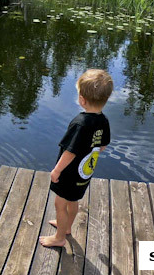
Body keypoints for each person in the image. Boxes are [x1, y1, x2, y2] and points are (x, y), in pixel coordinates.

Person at [39, 69, 112, 248]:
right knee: (73, 200)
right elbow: (103, 146)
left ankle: (59, 238)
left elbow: (69, 152)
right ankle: (67, 227)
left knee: (60, 204)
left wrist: (57, 170)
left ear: (82, 100)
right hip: (84, 174)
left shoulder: (80, 123)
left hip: (69, 173)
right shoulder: (103, 120)